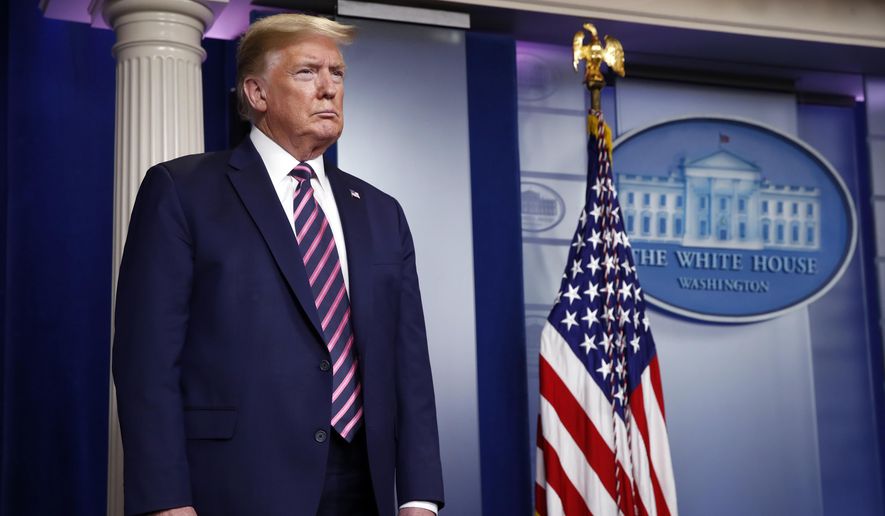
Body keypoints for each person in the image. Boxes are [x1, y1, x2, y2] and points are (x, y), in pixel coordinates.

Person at [112, 13, 444, 516]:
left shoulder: (381, 212)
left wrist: (420, 497)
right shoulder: (183, 192)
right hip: (234, 487)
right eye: (308, 72)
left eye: (337, 74)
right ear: (257, 93)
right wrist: (165, 502)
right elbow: (147, 364)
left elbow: (410, 365)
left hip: (364, 488)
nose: (329, 88)